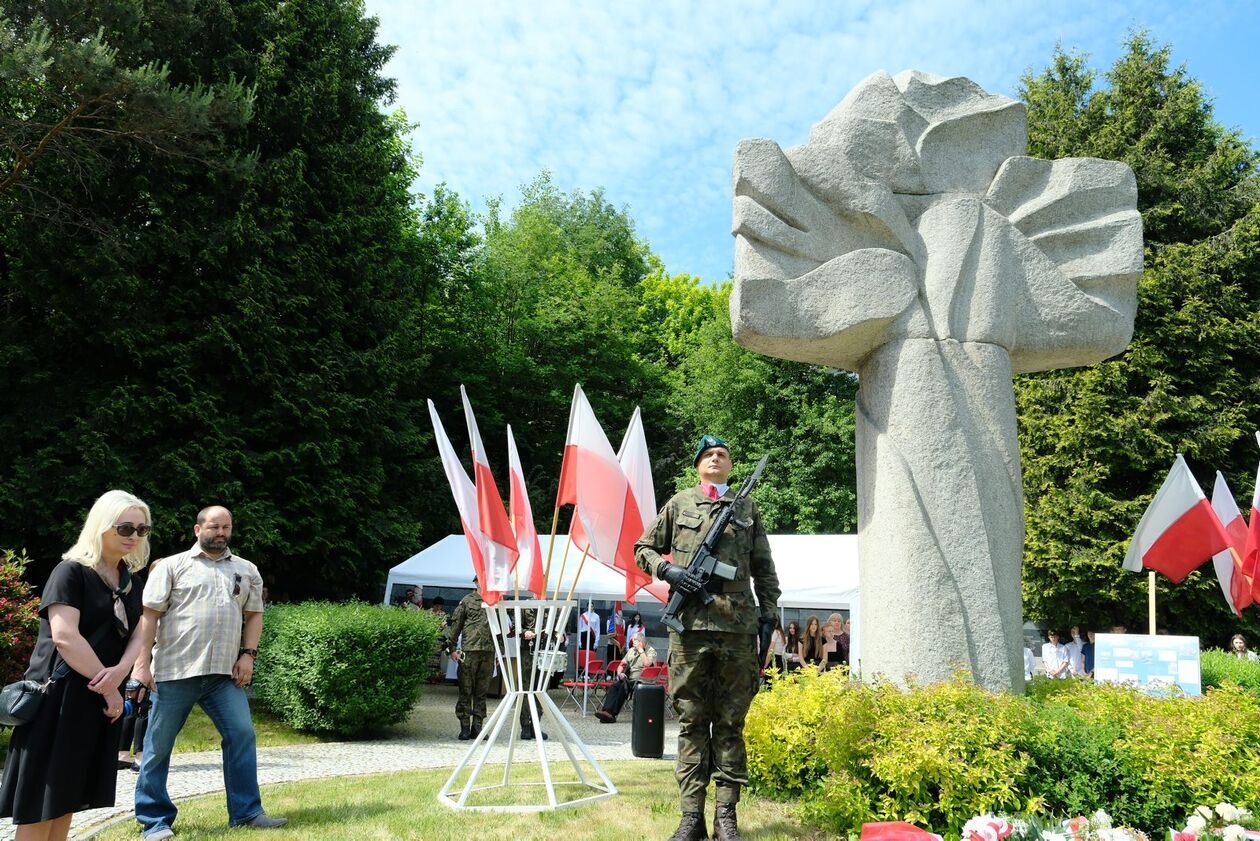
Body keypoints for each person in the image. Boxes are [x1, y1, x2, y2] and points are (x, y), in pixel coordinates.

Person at [635, 434, 780, 841]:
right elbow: (642, 547)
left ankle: (726, 817)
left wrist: (769, 616)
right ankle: (690, 817)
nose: (716, 459)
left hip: (737, 628)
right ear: (698, 464)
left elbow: (764, 568)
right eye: (709, 454)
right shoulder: (679, 504)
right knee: (691, 722)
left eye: (723, 455)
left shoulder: (747, 507)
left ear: (730, 466)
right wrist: (669, 572)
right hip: (690, 629)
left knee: (731, 723)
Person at [0, 490, 150, 841]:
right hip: (60, 700)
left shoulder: (130, 581)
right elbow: (65, 638)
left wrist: (118, 676)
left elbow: (140, 635)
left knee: (68, 798)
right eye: (125, 527)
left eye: (142, 530)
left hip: (95, 700)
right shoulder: (70, 572)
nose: (134, 537)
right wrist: (111, 687)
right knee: (42, 801)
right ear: (101, 525)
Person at [132, 505, 285, 839]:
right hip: (174, 672)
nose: (221, 533)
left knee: (242, 735)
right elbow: (149, 616)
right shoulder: (172, 566)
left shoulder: (246, 570)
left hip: (223, 676)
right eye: (214, 527)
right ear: (197, 529)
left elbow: (255, 614)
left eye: (226, 527)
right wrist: (141, 665)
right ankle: (154, 821)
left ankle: (246, 813)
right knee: (158, 747)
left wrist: (249, 656)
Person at [444, 581, 493, 740]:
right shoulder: (467, 601)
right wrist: (450, 649)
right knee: (466, 689)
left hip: (488, 652)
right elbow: (456, 625)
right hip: (469, 651)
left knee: (482, 691)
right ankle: (465, 726)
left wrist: (501, 653)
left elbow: (499, 628)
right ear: (476, 583)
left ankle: (477, 727)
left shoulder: (494, 600)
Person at [595, 634, 659, 723]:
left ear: (641, 641)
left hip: (644, 680)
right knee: (615, 686)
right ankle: (606, 711)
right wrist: (620, 673)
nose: (633, 643)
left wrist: (641, 650)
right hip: (631, 679)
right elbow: (622, 664)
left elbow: (647, 664)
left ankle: (612, 714)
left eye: (635, 641)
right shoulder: (632, 650)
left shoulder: (651, 651)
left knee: (623, 686)